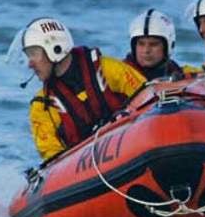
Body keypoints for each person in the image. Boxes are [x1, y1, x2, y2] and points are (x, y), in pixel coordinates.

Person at [18, 17, 145, 161]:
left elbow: (150, 99)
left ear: (55, 48)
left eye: (34, 54)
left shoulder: (107, 70)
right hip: (88, 173)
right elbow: (51, 159)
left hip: (134, 146)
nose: (30, 64)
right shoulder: (42, 106)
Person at [124, 9, 184, 80]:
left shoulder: (178, 73)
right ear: (134, 47)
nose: (146, 50)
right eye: (141, 44)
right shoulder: (118, 78)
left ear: (167, 46)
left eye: (153, 44)